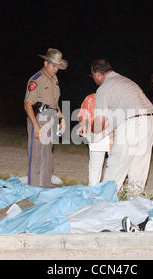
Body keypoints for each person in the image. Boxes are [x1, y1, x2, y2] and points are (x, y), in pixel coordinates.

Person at [90, 59, 153, 197]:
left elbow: (99, 122)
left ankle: (104, 201)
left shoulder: (104, 87)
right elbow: (121, 115)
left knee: (116, 164)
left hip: (133, 123)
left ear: (97, 74)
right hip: (150, 121)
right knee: (139, 167)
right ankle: (134, 200)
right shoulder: (127, 81)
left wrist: (92, 133)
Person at [23, 48, 67, 187]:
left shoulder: (54, 79)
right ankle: (34, 186)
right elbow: (27, 104)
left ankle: (46, 183)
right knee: (36, 154)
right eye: (53, 66)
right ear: (45, 63)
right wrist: (35, 126)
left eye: (58, 67)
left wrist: (61, 118)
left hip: (51, 118)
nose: (56, 69)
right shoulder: (36, 80)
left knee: (47, 154)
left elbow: (54, 102)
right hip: (39, 118)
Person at [77, 92, 113, 186]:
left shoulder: (90, 97)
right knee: (112, 165)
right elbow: (82, 116)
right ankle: (113, 190)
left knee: (97, 166)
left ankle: (93, 190)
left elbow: (82, 115)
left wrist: (83, 126)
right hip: (102, 134)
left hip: (104, 134)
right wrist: (83, 127)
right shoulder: (91, 98)